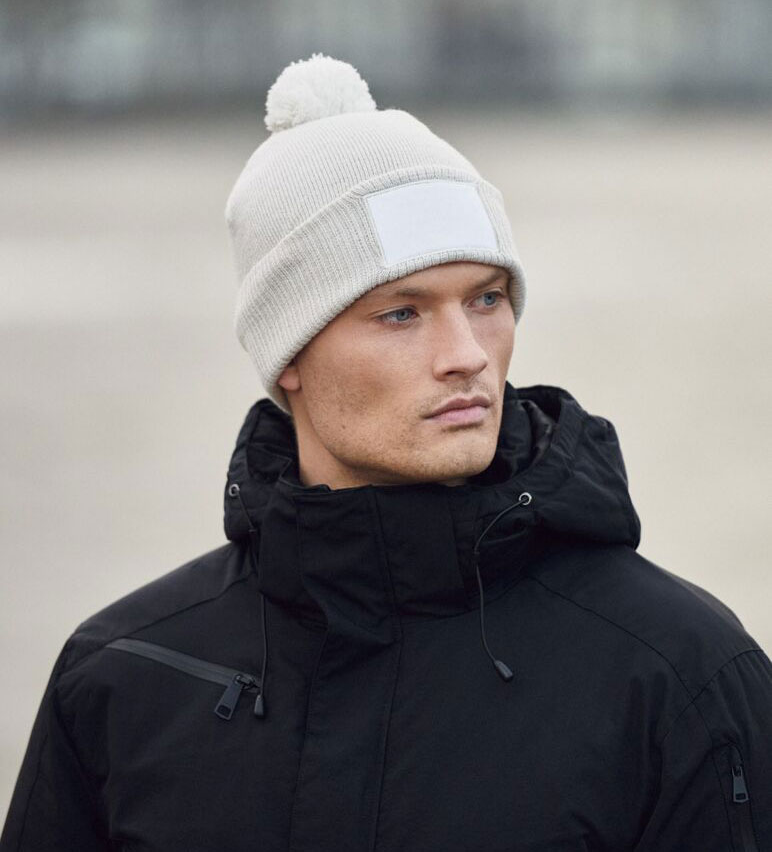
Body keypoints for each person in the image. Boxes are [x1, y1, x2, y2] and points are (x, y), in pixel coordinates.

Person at [2, 52, 770, 852]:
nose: (466, 354)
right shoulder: (124, 676)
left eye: (487, 298)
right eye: (402, 313)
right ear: (288, 354)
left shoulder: (679, 674)